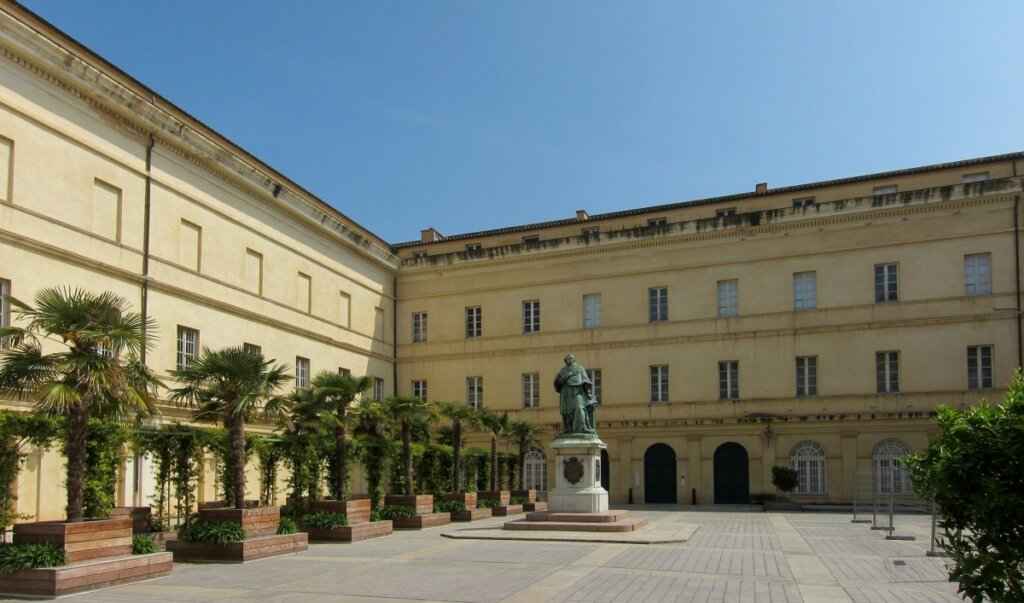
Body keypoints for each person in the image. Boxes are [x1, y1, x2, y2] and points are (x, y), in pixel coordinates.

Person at [553, 353, 598, 435]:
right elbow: (556, 383)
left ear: (574, 359)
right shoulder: (563, 370)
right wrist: (563, 378)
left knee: (580, 408)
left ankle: (583, 428)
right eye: (567, 359)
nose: (569, 360)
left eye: (570, 358)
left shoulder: (579, 368)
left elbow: (585, 380)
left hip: (577, 391)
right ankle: (568, 429)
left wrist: (588, 393)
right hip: (566, 392)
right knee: (567, 412)